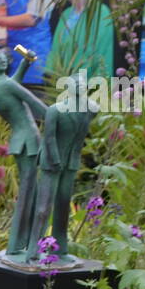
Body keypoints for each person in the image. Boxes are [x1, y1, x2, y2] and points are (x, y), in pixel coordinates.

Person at [0, 47, 47, 258]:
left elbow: (13, 82)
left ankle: (29, 242)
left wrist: (25, 63)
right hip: (29, 137)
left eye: (4, 59)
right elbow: (35, 103)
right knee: (30, 190)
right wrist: (58, 119)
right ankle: (18, 244)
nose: (2, 62)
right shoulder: (7, 84)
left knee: (32, 188)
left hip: (20, 138)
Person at [26, 91, 94, 264]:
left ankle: (61, 249)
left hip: (71, 163)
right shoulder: (55, 110)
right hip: (52, 161)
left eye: (83, 85)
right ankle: (33, 249)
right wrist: (56, 161)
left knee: (63, 207)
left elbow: (94, 106)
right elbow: (49, 138)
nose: (80, 87)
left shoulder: (88, 110)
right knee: (44, 208)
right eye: (76, 84)